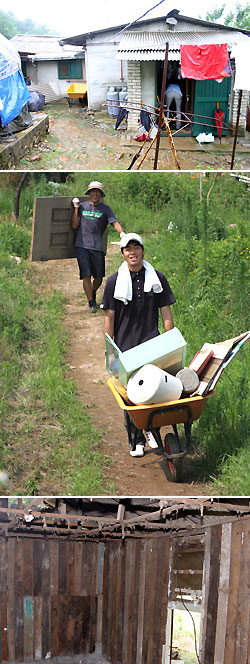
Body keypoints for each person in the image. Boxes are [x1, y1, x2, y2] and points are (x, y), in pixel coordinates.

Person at [101, 232, 176, 457]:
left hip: (151, 342)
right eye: (127, 249)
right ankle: (137, 439)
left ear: (142, 251)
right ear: (123, 254)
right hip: (126, 346)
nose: (132, 252)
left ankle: (153, 430)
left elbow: (166, 311)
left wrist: (170, 341)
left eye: (136, 248)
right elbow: (109, 318)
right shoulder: (115, 282)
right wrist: (110, 350)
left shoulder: (157, 278)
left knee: (155, 389)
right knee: (131, 395)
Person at [71, 181, 124, 313]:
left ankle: (93, 291)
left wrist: (122, 233)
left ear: (100, 194)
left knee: (99, 277)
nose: (95, 194)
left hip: (97, 247)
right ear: (89, 193)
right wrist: (76, 208)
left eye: (97, 192)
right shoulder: (82, 207)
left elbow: (114, 222)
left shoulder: (106, 209)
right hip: (82, 246)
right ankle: (91, 303)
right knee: (86, 275)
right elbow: (74, 225)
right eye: (92, 191)